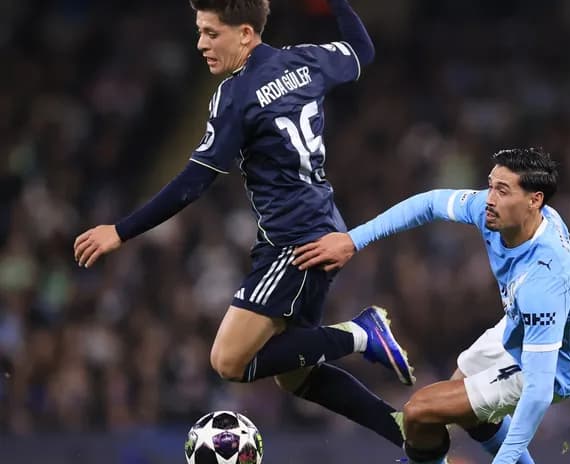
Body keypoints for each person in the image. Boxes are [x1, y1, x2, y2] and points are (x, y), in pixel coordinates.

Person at [73, 0, 414, 447]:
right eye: (199, 32)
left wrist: (120, 231)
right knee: (296, 377)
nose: (201, 44)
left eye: (212, 34)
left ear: (246, 34)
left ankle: (360, 334)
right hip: (320, 223)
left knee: (229, 362)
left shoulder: (237, 94)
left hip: (294, 243)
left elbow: (195, 180)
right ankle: (408, 436)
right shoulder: (306, 59)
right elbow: (361, 50)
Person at [293, 148, 570, 464]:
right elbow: (428, 203)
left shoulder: (544, 278)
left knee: (420, 412)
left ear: (534, 200)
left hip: (559, 363)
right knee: (462, 398)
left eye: (502, 190)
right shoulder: (508, 212)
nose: (489, 198)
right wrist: (353, 240)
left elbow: (537, 392)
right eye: (491, 185)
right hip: (521, 324)